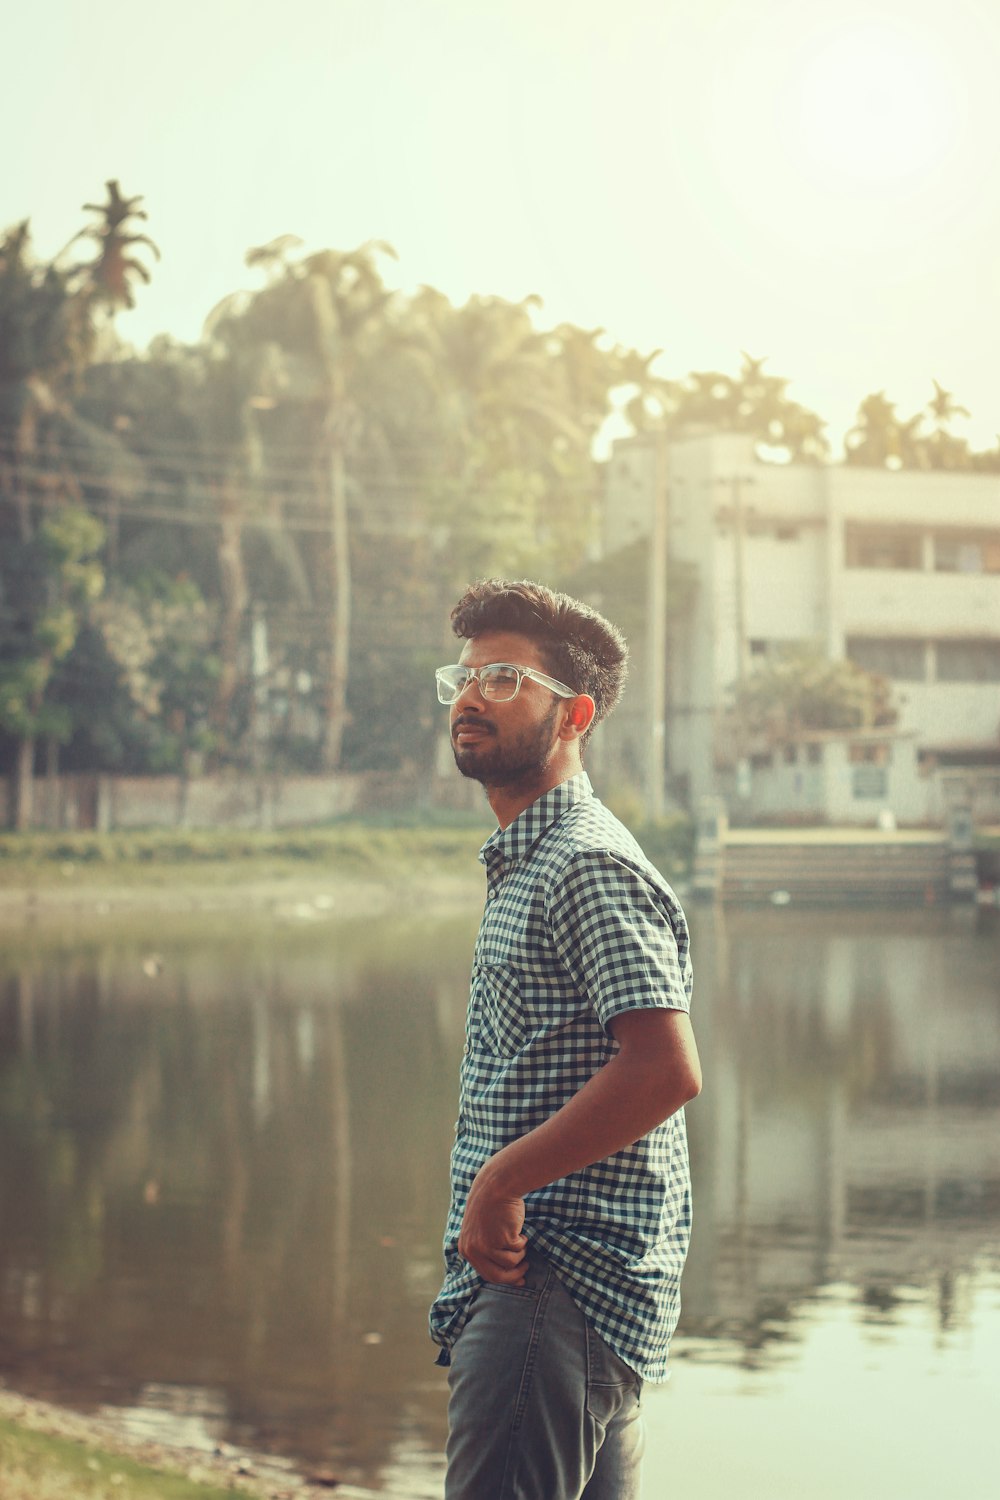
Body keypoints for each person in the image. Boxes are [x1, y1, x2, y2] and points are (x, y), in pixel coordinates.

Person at [429, 578, 701, 1500]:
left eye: (505, 679)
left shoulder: (583, 862)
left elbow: (665, 1068)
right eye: (465, 678)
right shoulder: (531, 858)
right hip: (564, 1291)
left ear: (574, 714)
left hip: (552, 1280)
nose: (471, 697)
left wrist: (502, 1182)